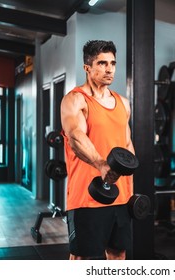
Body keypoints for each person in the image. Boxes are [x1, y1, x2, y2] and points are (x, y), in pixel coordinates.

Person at [60, 40, 135, 260]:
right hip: (87, 196)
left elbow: (127, 143)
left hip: (120, 196)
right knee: (82, 258)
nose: (109, 68)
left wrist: (130, 184)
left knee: (118, 253)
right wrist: (101, 165)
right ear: (87, 68)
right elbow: (75, 136)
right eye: (102, 63)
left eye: (112, 63)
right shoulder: (75, 100)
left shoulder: (123, 102)